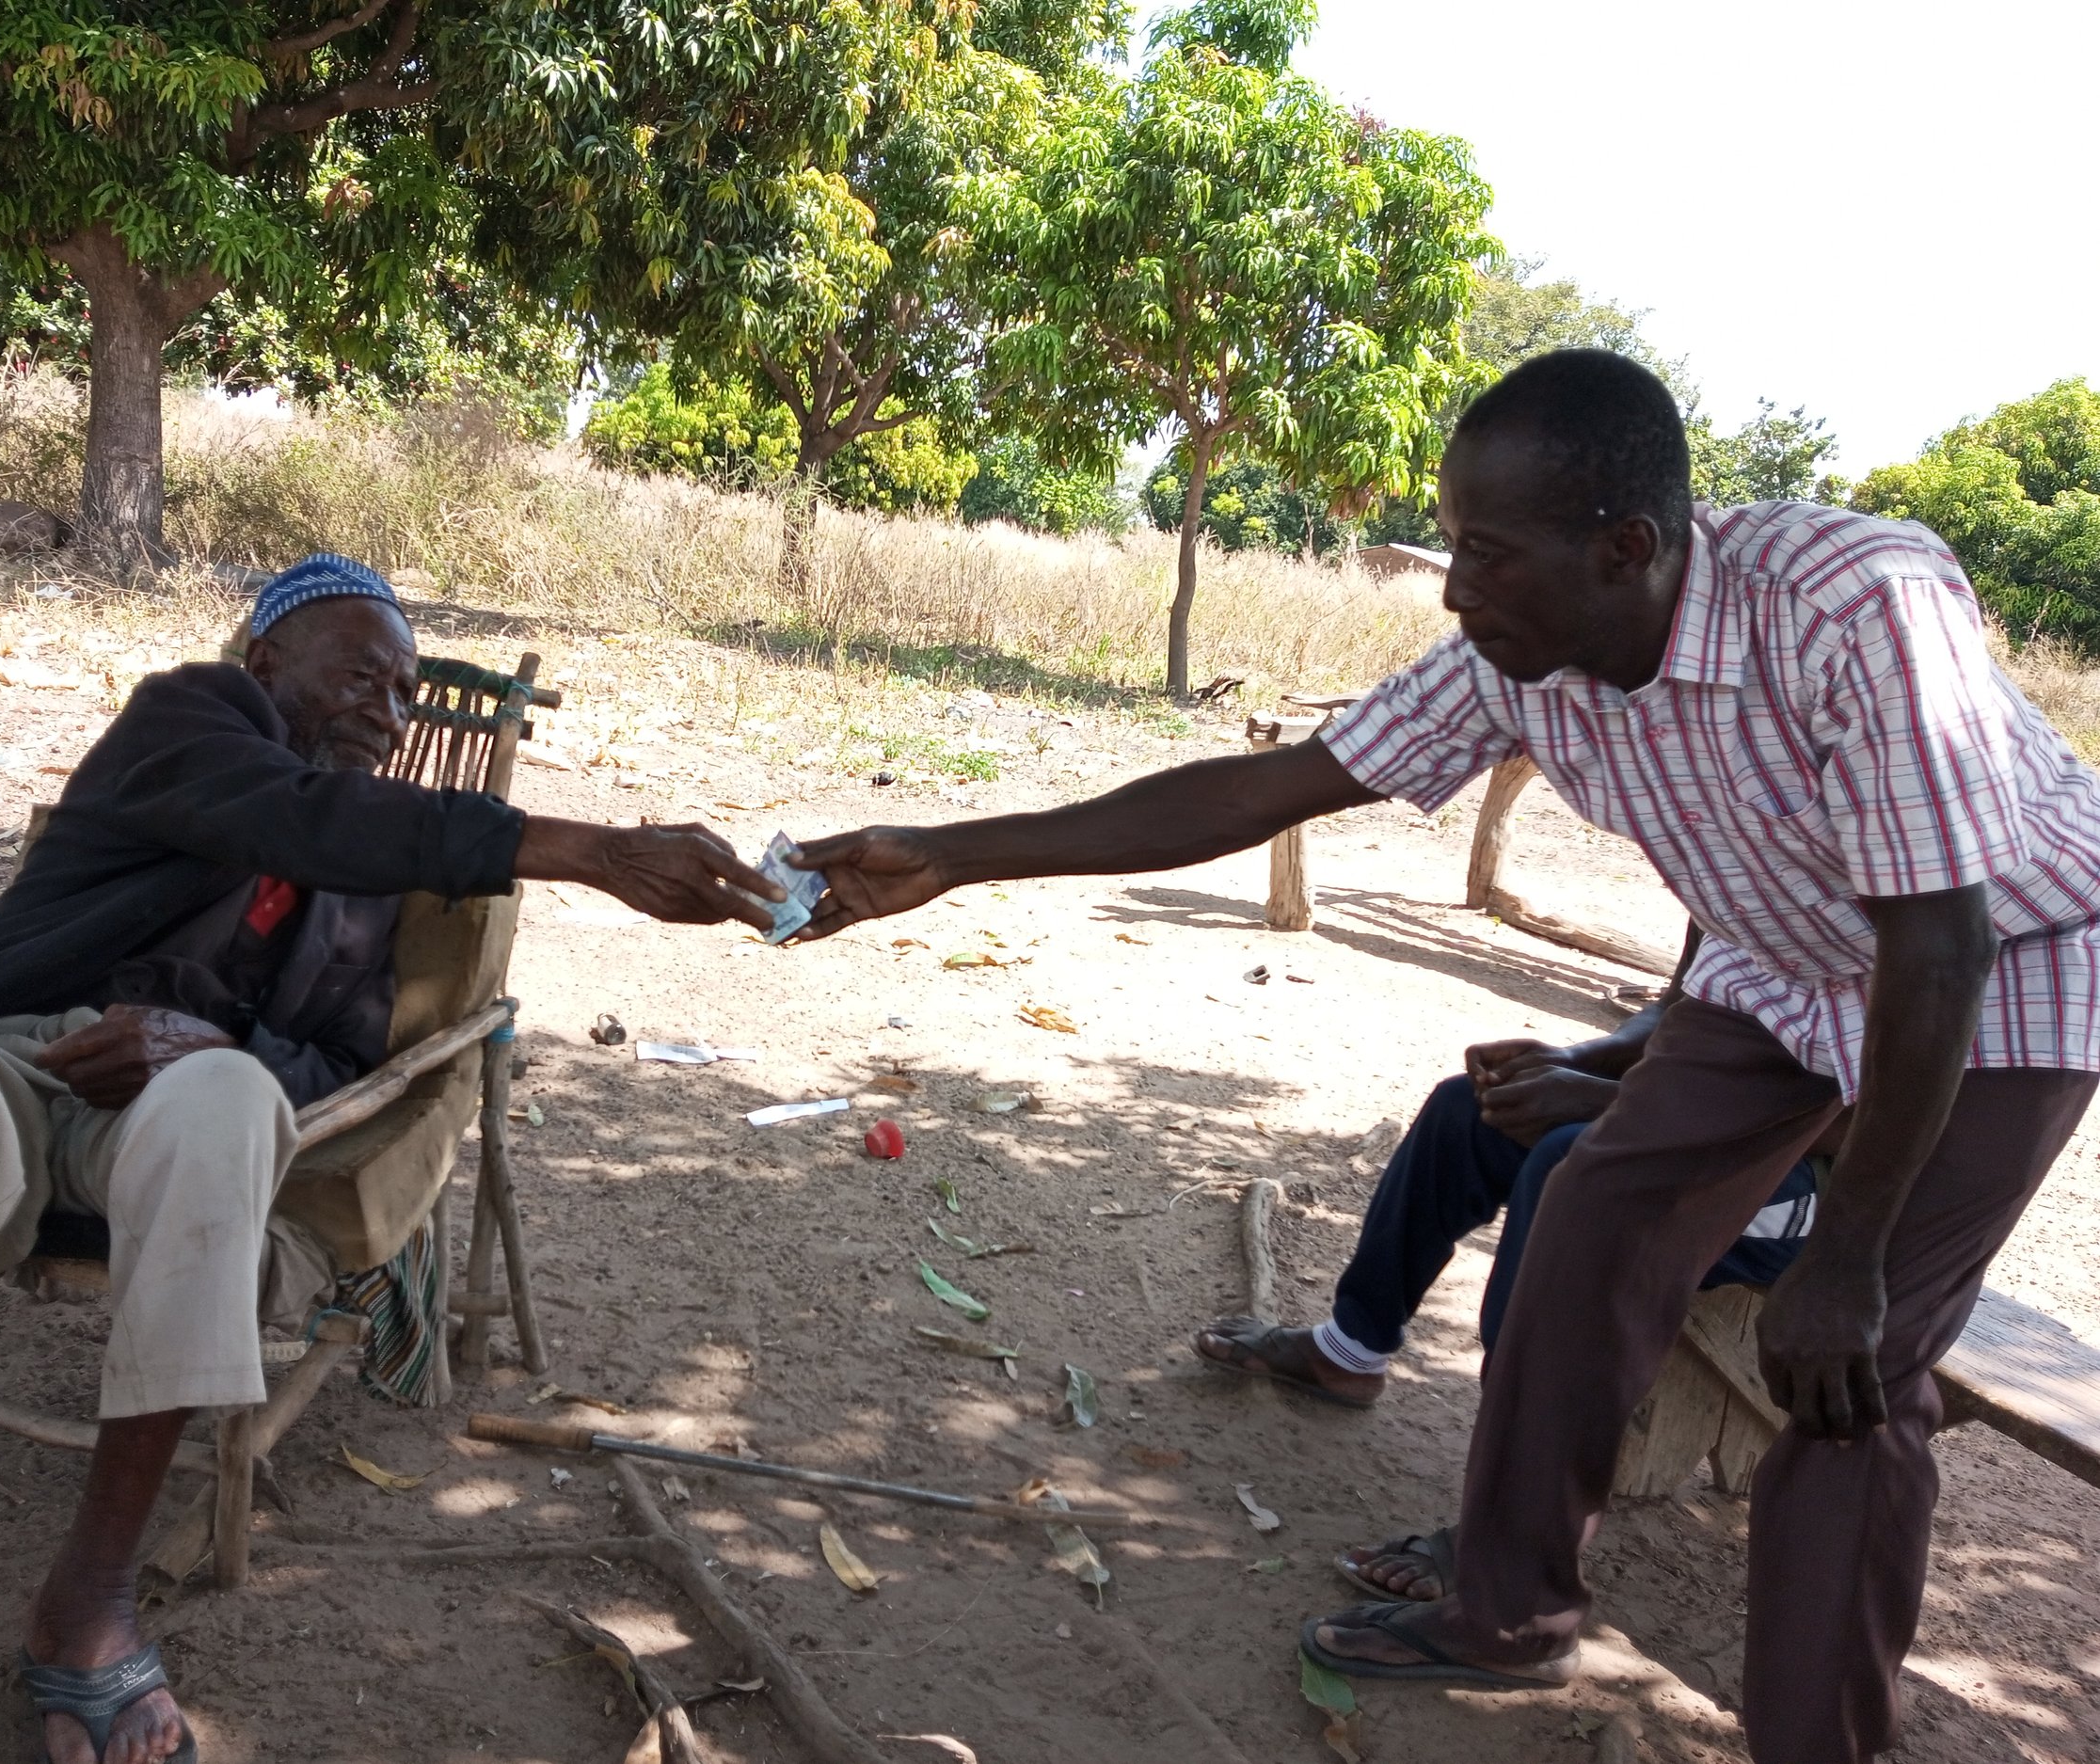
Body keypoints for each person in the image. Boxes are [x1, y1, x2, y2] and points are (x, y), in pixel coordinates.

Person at [787, 349, 2100, 1763]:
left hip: (2003, 964)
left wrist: (1846, 1255)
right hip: (1776, 962)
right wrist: (953, 854)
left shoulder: (1854, 602)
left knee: (1859, 1364)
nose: (1454, 589)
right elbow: (1264, 784)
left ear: (1629, 549)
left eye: (1485, 552)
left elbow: (1937, 945)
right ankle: (1513, 1607)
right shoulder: (1518, 662)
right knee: (1590, 1213)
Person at [0, 554, 783, 1764]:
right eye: (361, 674)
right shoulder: (184, 718)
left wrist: (208, 1038)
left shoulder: (372, 889)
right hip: (16, 1065)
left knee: (231, 1095)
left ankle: (88, 1606)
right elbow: (293, 815)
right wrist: (596, 850)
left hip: (172, 1129)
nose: (385, 714)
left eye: (403, 697)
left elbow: (343, 1062)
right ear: (264, 664)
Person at [1193, 932, 1822, 1415]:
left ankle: (1512, 1497)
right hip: (1678, 1116)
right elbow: (1677, 1008)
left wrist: (1611, 1105)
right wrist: (1575, 1058)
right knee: (1464, 1111)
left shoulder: (1887, 885)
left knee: (1574, 1166)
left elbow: (1857, 1118)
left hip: (1801, 1185)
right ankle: (1350, 1351)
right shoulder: (1726, 838)